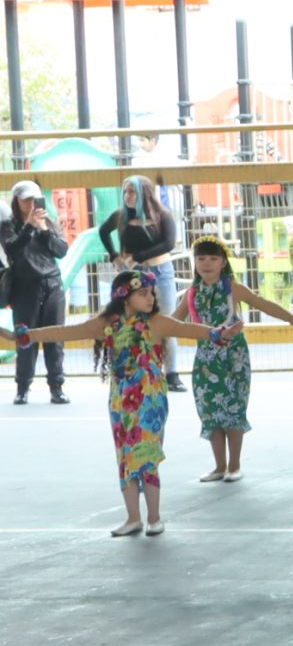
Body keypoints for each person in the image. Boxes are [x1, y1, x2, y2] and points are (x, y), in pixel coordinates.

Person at [15, 268, 233, 536]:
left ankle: (154, 518)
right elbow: (67, 331)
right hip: (121, 402)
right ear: (124, 297)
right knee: (126, 458)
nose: (150, 298)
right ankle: (133, 518)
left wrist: (216, 333)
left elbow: (186, 328)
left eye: (151, 293)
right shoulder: (107, 323)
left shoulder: (156, 322)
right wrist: (29, 335)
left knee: (147, 457)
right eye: (143, 294)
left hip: (151, 401)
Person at [179, 236, 293, 482]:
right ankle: (219, 466)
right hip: (205, 361)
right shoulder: (192, 293)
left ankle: (234, 465)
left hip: (233, 360)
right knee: (210, 411)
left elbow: (262, 304)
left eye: (213, 258)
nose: (207, 263)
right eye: (201, 258)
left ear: (223, 263)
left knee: (233, 408)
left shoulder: (232, 288)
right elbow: (172, 322)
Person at [96, 175, 186, 391]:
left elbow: (168, 244)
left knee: (166, 321)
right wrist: (114, 256)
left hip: (160, 272)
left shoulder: (162, 215)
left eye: (132, 192)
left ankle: (172, 374)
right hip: (133, 275)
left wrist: (138, 256)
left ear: (144, 193)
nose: (128, 196)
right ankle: (137, 369)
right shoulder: (121, 216)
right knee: (133, 322)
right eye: (125, 191)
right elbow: (103, 231)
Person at [4, 180, 70, 405]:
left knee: (55, 338)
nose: (30, 204)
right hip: (24, 287)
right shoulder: (8, 225)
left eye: (34, 199)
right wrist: (29, 226)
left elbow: (61, 250)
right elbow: (12, 248)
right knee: (25, 338)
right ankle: (22, 387)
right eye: (25, 199)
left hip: (52, 284)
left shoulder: (48, 222)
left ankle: (56, 387)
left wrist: (43, 229)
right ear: (17, 201)